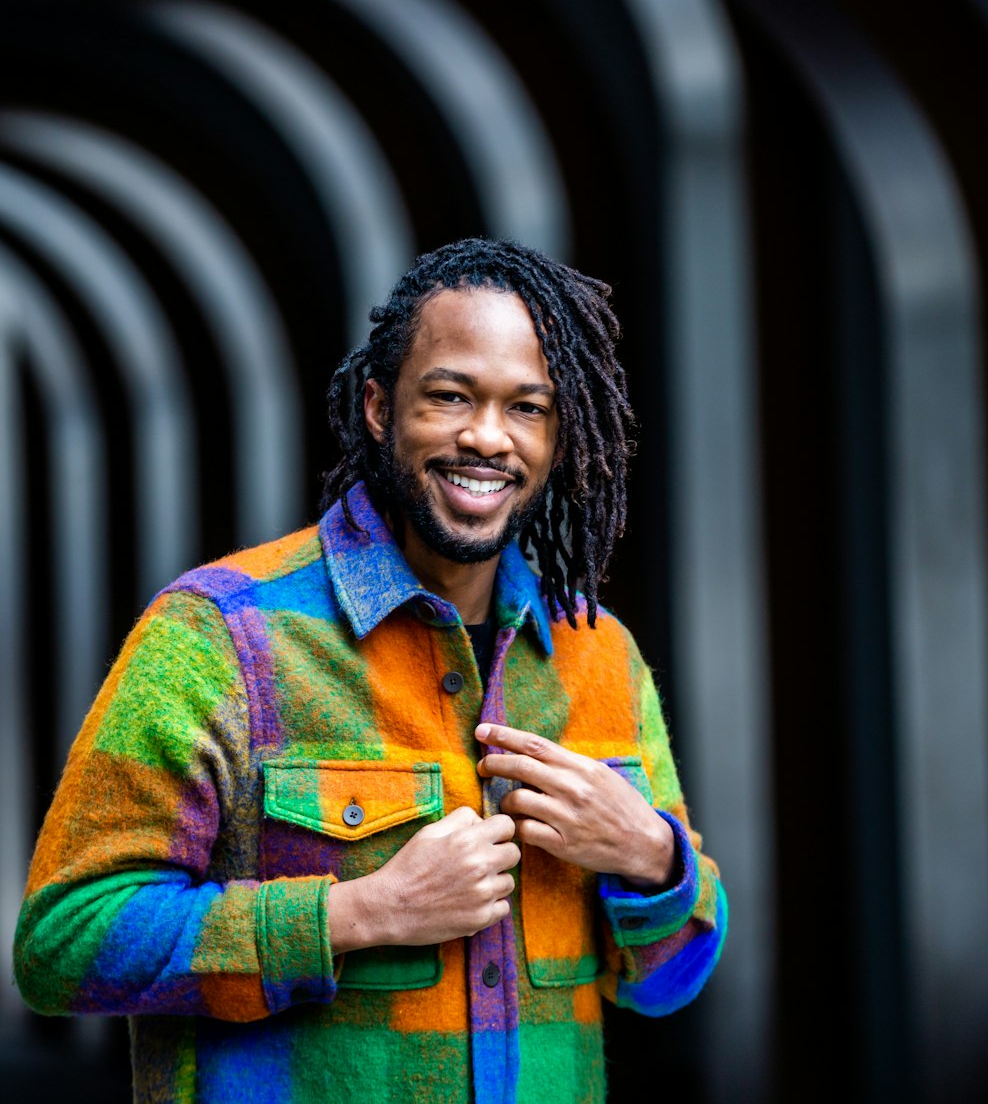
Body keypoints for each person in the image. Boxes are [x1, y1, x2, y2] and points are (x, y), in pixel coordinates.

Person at [15, 237, 726, 1104]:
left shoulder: (598, 654)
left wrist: (649, 856)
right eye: (451, 397)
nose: (487, 437)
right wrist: (361, 914)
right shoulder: (221, 633)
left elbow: (665, 983)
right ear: (380, 408)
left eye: (528, 408)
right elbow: (62, 945)